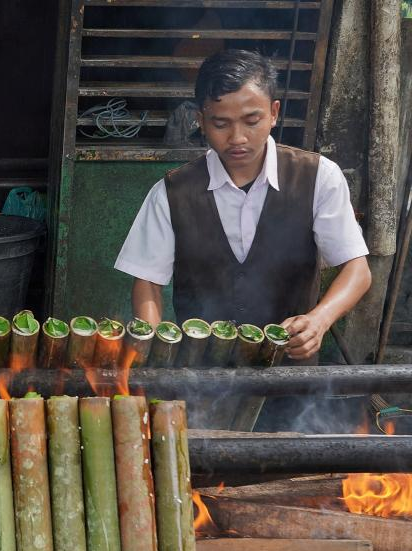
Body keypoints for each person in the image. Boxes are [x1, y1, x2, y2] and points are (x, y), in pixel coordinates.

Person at [115, 49, 371, 361]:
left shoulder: (319, 177)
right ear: (201, 121)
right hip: (201, 376)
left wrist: (320, 319)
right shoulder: (171, 192)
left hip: (291, 373)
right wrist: (153, 349)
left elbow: (357, 269)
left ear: (274, 113)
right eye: (221, 123)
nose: (238, 137)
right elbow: (147, 284)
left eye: (252, 120)